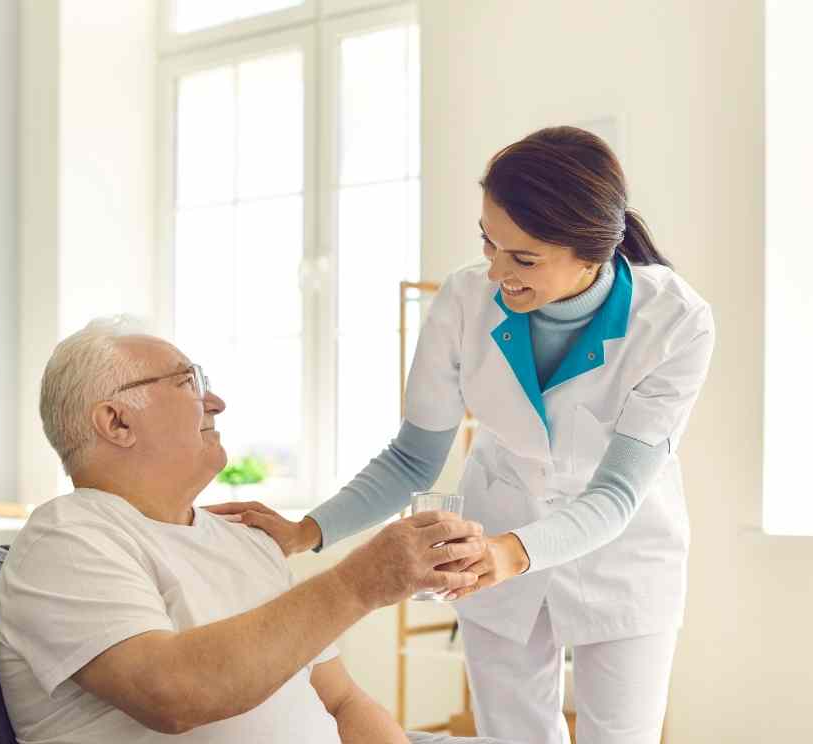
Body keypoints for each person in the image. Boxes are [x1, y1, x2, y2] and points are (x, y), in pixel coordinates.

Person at [207, 126, 716, 744]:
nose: (496, 272)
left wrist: (511, 552)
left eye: (523, 258)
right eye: (489, 243)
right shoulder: (464, 300)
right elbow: (411, 460)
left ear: (591, 253)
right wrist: (304, 532)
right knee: (514, 737)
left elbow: (613, 497)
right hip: (492, 538)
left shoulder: (674, 322)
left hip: (622, 554)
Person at [0, 319, 500, 744]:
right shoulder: (67, 539)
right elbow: (172, 693)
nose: (216, 402)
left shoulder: (247, 540)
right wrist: (360, 581)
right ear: (117, 422)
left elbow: (343, 704)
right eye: (188, 382)